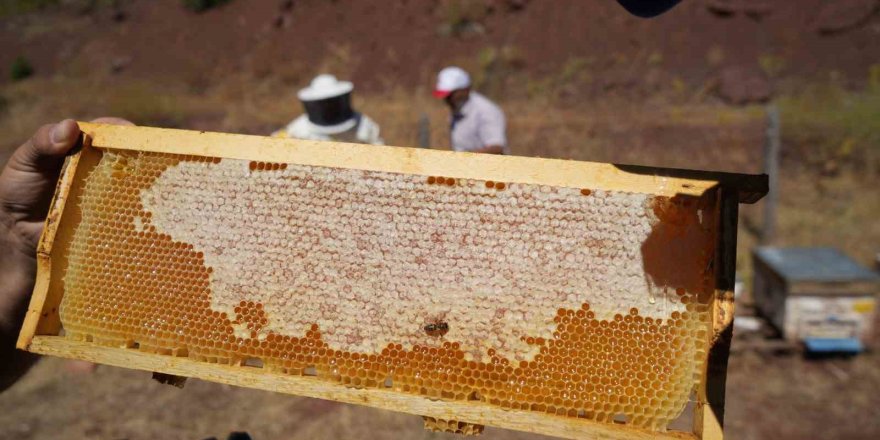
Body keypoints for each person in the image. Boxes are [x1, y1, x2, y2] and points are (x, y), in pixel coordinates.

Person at [272, 74, 384, 145]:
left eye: (332, 104)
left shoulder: (363, 125)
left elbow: (379, 150)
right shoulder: (300, 128)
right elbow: (275, 143)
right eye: (325, 105)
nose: (329, 108)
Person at [433, 66, 508, 155]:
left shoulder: (485, 111)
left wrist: (463, 159)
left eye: (450, 95)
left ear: (465, 90)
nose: (447, 100)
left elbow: (497, 149)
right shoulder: (457, 108)